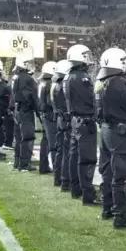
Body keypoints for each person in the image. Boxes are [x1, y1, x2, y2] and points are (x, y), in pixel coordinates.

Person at [96, 47, 126, 228]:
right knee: (123, 175)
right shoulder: (120, 83)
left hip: (106, 130)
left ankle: (107, 208)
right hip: (119, 133)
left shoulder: (101, 82)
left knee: (108, 172)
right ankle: (120, 216)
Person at [64, 44, 98, 204]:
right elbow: (91, 99)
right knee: (87, 159)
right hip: (85, 121)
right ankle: (88, 194)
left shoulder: (68, 76)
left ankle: (75, 188)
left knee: (74, 156)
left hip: (75, 120)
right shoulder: (82, 77)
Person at [11, 53, 38, 172]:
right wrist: (38, 110)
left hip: (17, 110)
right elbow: (32, 97)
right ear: (24, 64)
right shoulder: (27, 78)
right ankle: (25, 163)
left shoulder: (15, 76)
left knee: (18, 137)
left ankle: (17, 161)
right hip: (25, 110)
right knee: (27, 138)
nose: (31, 66)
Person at [51, 60, 71, 191]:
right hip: (65, 120)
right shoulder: (63, 85)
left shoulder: (55, 85)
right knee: (67, 152)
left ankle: (57, 178)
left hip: (59, 118)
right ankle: (65, 180)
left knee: (60, 151)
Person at [38, 61, 57, 174]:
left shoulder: (42, 83)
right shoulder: (50, 84)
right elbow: (51, 102)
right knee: (54, 144)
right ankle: (57, 169)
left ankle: (43, 166)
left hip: (45, 116)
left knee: (45, 142)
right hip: (50, 117)